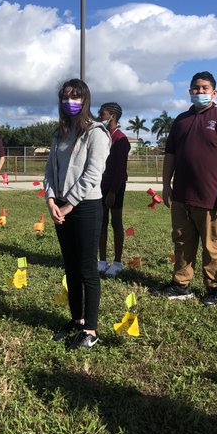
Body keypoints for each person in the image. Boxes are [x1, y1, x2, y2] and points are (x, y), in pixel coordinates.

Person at [158, 71, 217, 306]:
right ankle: (181, 284)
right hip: (182, 195)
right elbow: (170, 154)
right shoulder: (181, 120)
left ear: (214, 92)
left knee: (211, 244)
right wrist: (166, 185)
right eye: (196, 88)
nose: (200, 92)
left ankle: (213, 288)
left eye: (205, 88)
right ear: (190, 92)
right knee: (182, 241)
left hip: (212, 196)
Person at [44, 79, 110, 349]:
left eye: (75, 97)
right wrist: (50, 198)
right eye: (65, 97)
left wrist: (69, 204)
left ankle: (91, 331)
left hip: (85, 207)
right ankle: (77, 320)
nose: (69, 101)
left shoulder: (96, 132)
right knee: (70, 267)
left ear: (85, 100)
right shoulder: (59, 133)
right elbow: (50, 169)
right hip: (60, 205)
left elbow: (93, 173)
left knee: (86, 269)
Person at [97, 102, 131, 277]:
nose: (99, 116)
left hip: (115, 187)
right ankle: (102, 260)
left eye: (102, 113)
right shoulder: (101, 135)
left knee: (116, 223)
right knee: (101, 223)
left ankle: (117, 262)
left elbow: (120, 169)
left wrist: (112, 191)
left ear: (112, 116)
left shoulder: (121, 139)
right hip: (99, 186)